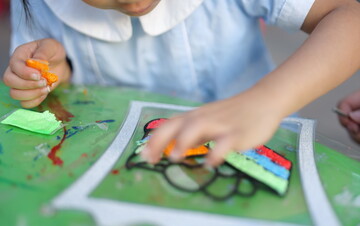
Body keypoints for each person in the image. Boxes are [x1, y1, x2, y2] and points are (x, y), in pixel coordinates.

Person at [3, 0, 360, 166]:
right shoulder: (37, 4)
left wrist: (266, 101)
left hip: (260, 156)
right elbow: (63, 69)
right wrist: (52, 72)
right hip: (132, 169)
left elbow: (348, 16)